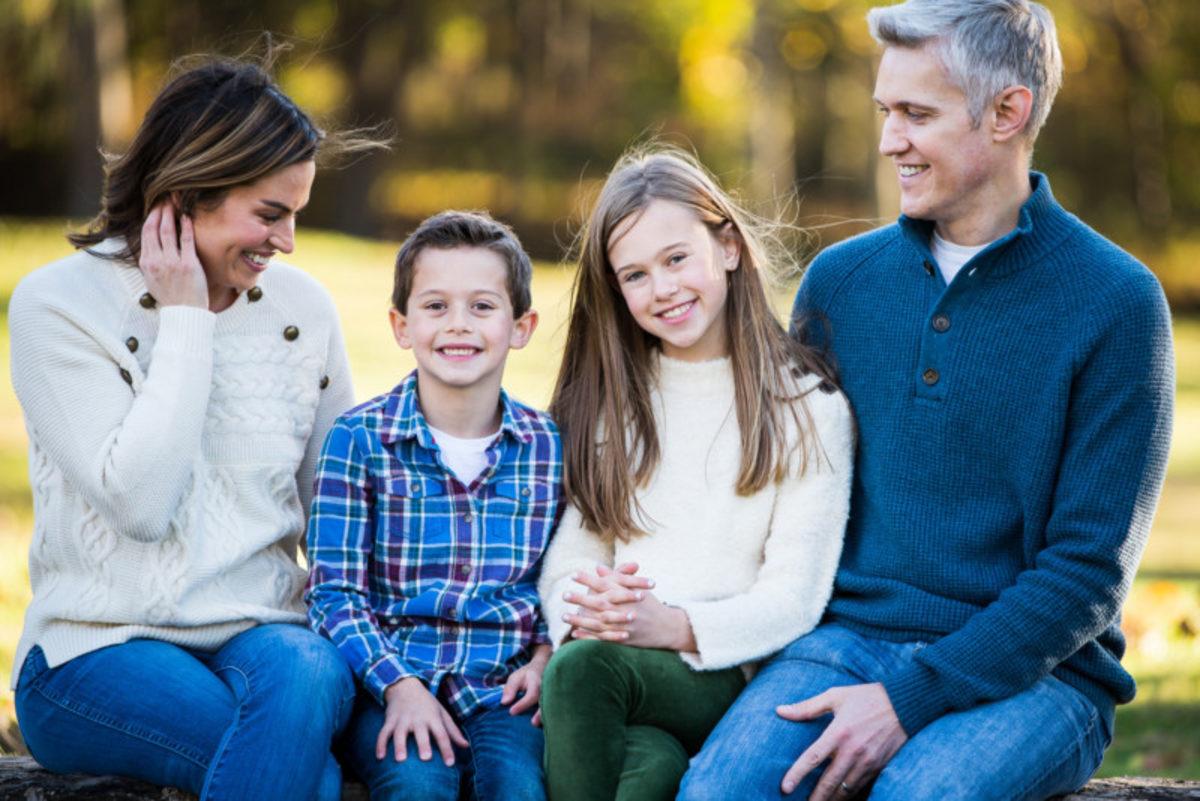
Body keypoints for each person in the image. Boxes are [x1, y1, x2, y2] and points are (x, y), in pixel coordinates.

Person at [678, 2, 1175, 800]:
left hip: (1041, 675)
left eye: (916, 114)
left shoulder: (1116, 302)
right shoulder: (841, 284)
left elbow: (1087, 573)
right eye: (886, 111)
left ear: (1008, 112)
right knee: (717, 792)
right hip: (845, 642)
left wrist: (909, 699)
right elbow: (777, 487)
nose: (888, 140)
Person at [9, 52, 386, 801]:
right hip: (96, 649)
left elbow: (338, 510)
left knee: (310, 668)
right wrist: (185, 320)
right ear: (185, 198)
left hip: (264, 635)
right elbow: (141, 506)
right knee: (306, 775)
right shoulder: (59, 306)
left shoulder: (302, 311)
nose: (287, 242)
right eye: (269, 215)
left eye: (296, 215)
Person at [536, 146, 855, 801]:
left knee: (578, 672)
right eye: (635, 274)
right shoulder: (616, 402)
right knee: (648, 771)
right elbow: (573, 556)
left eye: (677, 258)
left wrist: (672, 626)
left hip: (727, 671)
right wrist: (589, 611)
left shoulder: (806, 407)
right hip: (622, 664)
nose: (663, 288)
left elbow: (795, 596)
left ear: (728, 247)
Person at [305, 210, 559, 801]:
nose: (458, 325)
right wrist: (397, 686)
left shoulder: (548, 446)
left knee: (518, 788)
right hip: (391, 680)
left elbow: (563, 575)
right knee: (417, 784)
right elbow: (333, 593)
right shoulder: (358, 439)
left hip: (504, 688)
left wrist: (546, 656)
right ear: (402, 325)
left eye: (483, 306)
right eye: (436, 306)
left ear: (521, 327)